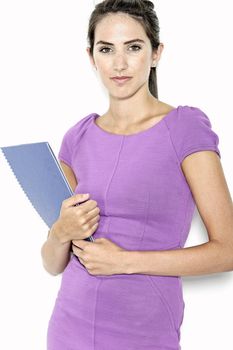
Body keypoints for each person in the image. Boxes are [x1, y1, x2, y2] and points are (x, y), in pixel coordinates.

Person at [41, 1, 233, 349]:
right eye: (106, 49)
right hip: (69, 328)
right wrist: (60, 232)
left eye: (133, 47)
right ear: (91, 57)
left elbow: (229, 250)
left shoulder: (185, 127)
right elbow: (54, 263)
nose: (119, 63)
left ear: (156, 53)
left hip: (144, 332)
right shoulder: (77, 137)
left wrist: (124, 262)